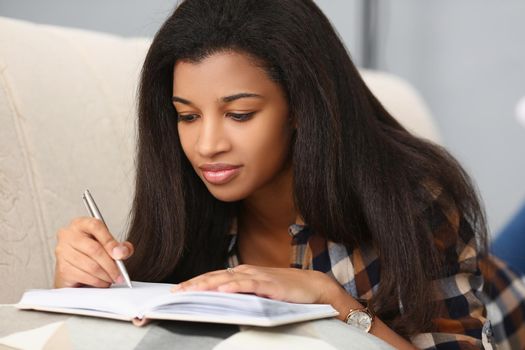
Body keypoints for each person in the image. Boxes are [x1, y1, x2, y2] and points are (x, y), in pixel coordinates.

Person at [53, 1, 524, 349]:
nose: (206, 145)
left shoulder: (414, 198)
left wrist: (330, 300)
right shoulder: (187, 208)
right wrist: (77, 291)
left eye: (239, 114)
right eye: (187, 116)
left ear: (300, 107)